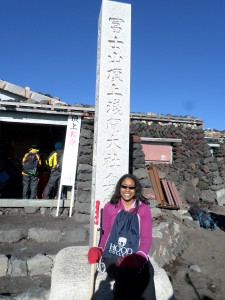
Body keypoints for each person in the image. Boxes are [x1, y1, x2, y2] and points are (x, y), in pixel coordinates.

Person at [88, 174, 156, 299]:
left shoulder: (143, 209)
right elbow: (105, 235)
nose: (127, 190)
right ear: (119, 188)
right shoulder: (110, 207)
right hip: (113, 253)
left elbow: (146, 238)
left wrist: (139, 257)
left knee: (148, 271)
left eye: (131, 187)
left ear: (136, 190)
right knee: (124, 273)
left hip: (134, 254)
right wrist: (99, 250)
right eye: (124, 186)